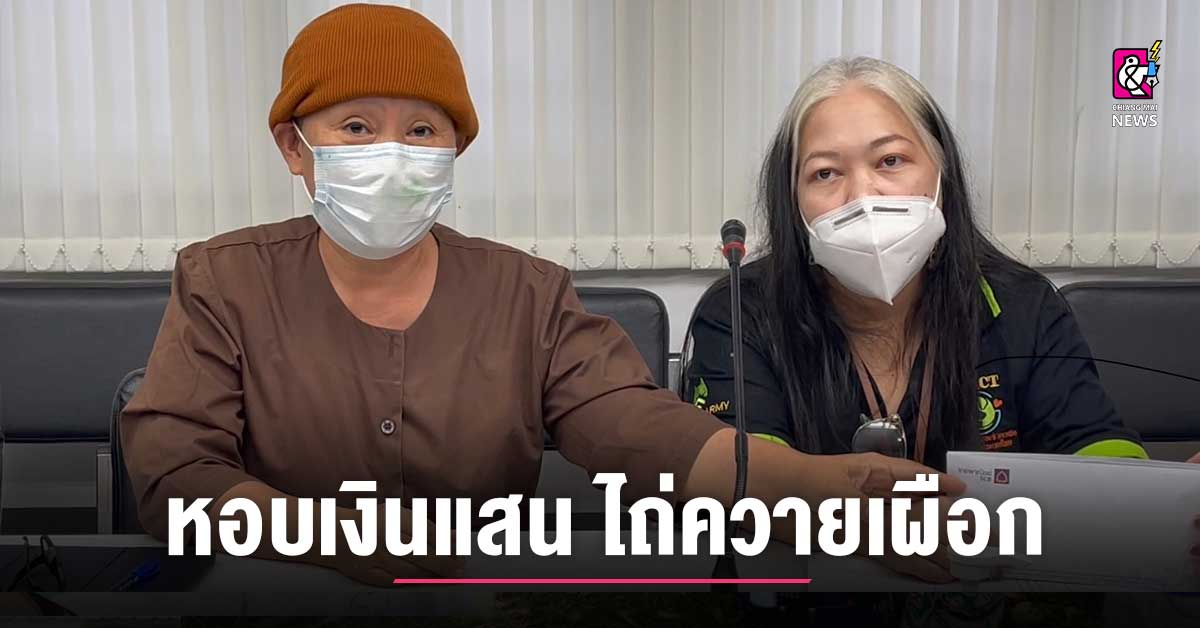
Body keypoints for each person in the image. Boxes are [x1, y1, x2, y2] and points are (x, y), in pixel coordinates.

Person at [121, 6, 957, 585]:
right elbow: (172, 472)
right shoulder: (225, 280)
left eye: (422, 130)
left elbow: (642, 432)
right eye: (357, 128)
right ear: (295, 148)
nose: (393, 153)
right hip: (272, 596)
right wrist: (322, 534)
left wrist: (820, 486)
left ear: (454, 149)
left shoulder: (526, 295)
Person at [683, 56, 1200, 582]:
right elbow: (739, 473)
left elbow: (1092, 442)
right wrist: (851, 521)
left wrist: (1164, 502)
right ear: (792, 202)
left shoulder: (1021, 303)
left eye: (890, 160)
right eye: (825, 173)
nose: (862, 197)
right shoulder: (740, 311)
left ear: (940, 173)